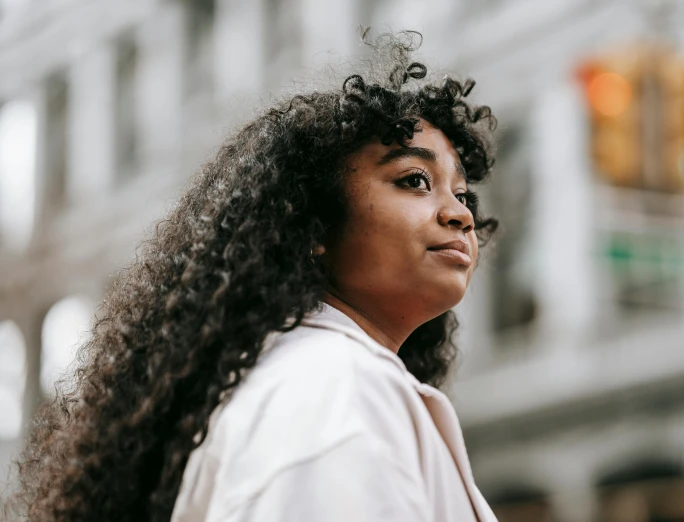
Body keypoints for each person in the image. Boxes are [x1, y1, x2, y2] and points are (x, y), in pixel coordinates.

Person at [8, 32, 499, 521]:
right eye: (414, 180)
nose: (460, 215)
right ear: (314, 223)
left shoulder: (316, 384)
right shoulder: (333, 391)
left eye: (463, 195)